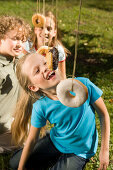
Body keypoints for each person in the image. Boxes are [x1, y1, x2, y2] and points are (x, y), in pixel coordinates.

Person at [10, 52, 110, 170]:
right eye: (37, 71)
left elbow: (103, 115)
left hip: (79, 151)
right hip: (56, 141)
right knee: (14, 163)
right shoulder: (41, 106)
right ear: (33, 87)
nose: (45, 68)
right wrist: (20, 168)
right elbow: (32, 139)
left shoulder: (83, 85)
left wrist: (104, 151)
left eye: (45, 63)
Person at [0, 15, 31, 153]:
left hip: (14, 122)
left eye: (23, 40)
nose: (20, 44)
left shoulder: (18, 59)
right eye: (15, 39)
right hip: (3, 128)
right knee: (31, 140)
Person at [26, 11, 71, 79]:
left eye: (49, 29)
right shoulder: (27, 45)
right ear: (35, 29)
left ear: (54, 32)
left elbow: (62, 77)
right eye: (41, 27)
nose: (45, 32)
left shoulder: (58, 51)